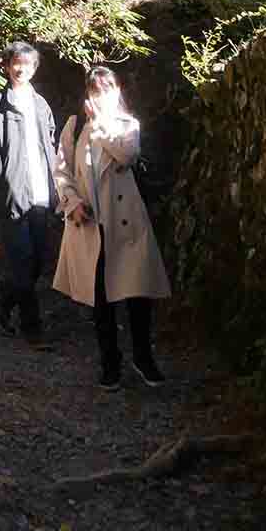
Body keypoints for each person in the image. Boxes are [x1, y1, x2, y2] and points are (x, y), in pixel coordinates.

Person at [53, 64, 170, 390]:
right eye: (95, 90)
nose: (101, 96)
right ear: (88, 94)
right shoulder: (74, 127)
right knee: (101, 299)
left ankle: (143, 357)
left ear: (117, 90)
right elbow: (61, 169)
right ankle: (110, 363)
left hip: (127, 221)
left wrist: (102, 122)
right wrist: (72, 202)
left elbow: (127, 155)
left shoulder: (125, 124)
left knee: (138, 294)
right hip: (91, 223)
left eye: (107, 89)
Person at [0, 40, 58, 342]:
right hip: (12, 194)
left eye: (28, 64)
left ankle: (1, 297)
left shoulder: (41, 104)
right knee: (22, 261)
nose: (21, 68)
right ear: (8, 66)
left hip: (41, 193)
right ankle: (32, 329)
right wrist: (1, 174)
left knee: (36, 262)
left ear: (35, 68)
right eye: (16, 63)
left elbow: (50, 141)